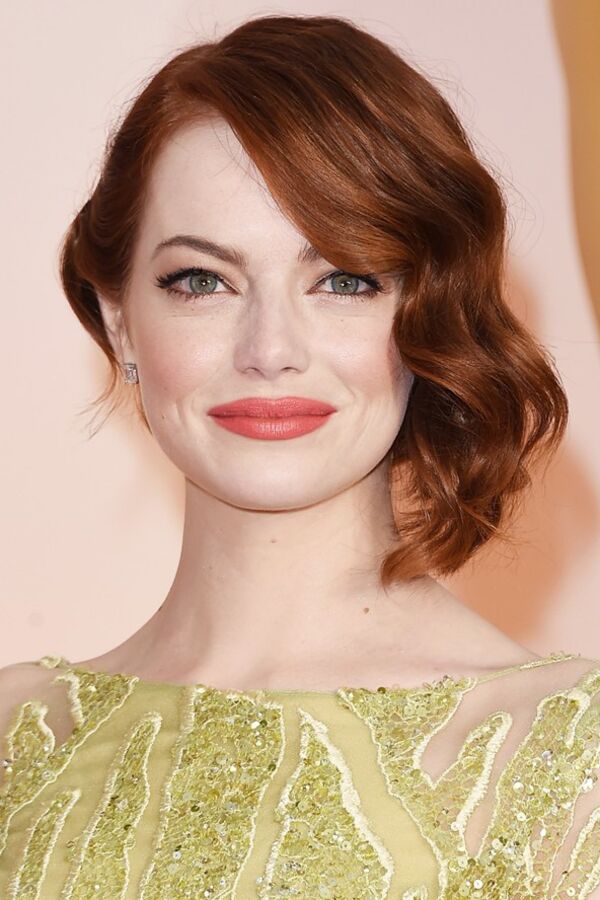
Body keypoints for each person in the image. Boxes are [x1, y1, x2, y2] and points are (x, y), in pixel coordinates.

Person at [0, 13, 599, 899]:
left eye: (344, 280)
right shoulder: (15, 740)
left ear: (424, 314)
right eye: (202, 281)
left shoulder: (571, 761)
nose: (270, 349)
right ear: (121, 322)